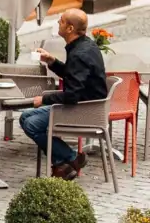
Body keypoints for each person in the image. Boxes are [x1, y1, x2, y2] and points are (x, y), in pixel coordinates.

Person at [18, 9, 109, 181]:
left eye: (61, 21)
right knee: (25, 117)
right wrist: (51, 61)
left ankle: (71, 156)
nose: (57, 23)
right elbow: (73, 76)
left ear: (70, 28)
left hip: (85, 111)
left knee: (31, 124)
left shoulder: (80, 54)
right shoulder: (84, 45)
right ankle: (63, 163)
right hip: (85, 105)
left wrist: (44, 99)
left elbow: (71, 95)